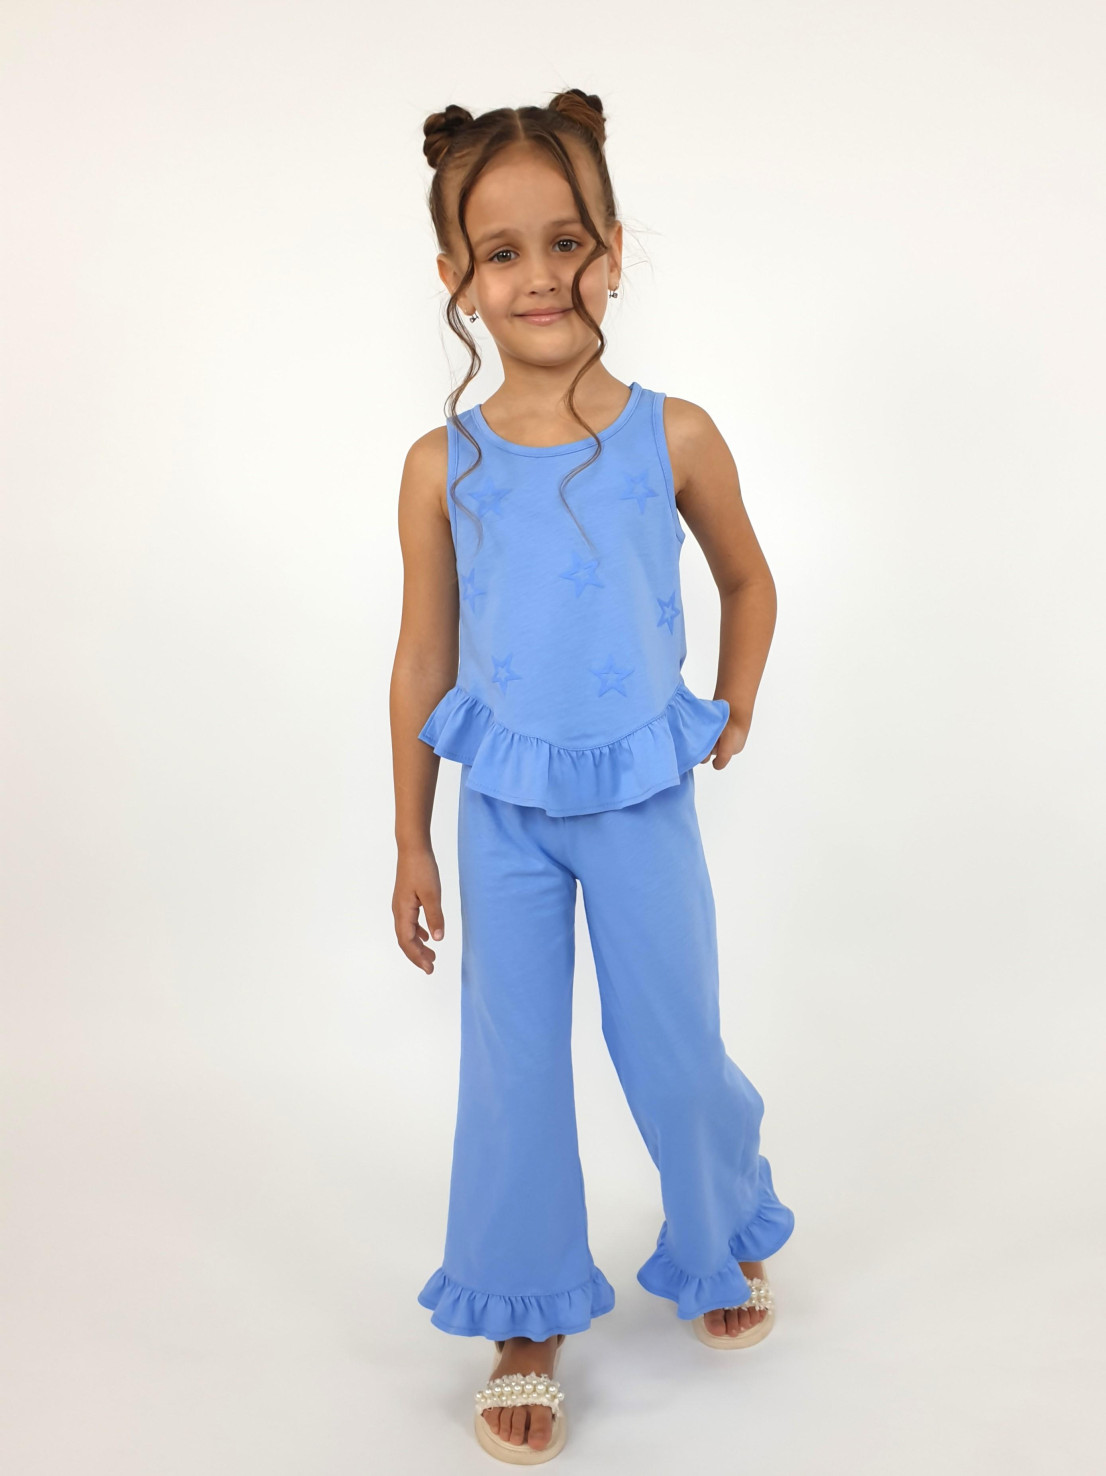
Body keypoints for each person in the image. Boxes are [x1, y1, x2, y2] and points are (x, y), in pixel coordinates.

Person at [390, 87, 796, 1464]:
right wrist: (413, 839)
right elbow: (420, 659)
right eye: (499, 251)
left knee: (671, 1042)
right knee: (511, 1068)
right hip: (502, 813)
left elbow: (747, 578)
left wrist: (734, 699)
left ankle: (721, 1223)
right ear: (455, 276)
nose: (538, 276)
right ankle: (524, 1315)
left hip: (638, 801)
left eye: (564, 243)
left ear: (610, 250)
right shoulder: (440, 465)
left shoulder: (673, 435)